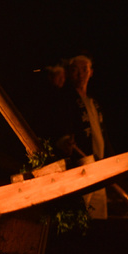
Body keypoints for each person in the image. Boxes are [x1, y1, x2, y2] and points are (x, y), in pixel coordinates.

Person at [41, 54, 108, 219]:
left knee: (98, 213)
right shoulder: (65, 98)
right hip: (81, 163)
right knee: (79, 209)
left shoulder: (93, 101)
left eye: (84, 69)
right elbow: (58, 125)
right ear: (70, 73)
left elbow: (101, 133)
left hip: (99, 164)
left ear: (91, 72)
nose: (80, 74)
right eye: (75, 70)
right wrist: (63, 140)